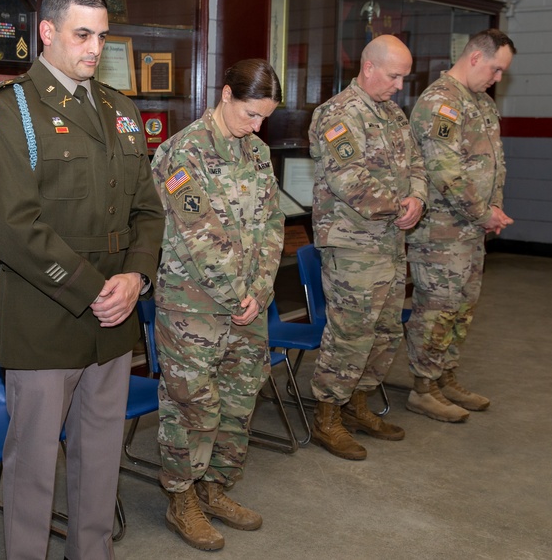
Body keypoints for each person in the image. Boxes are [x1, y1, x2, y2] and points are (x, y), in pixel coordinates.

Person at [0, 0, 163, 560]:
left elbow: (147, 211)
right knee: (32, 471)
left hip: (113, 320)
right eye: (83, 34)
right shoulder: (8, 110)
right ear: (47, 33)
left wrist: (135, 279)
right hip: (44, 319)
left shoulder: (119, 110)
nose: (95, 48)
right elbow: (10, 226)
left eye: (102, 36)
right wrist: (93, 288)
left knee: (101, 463)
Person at [151, 59, 284, 551]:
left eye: (265, 117)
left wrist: (261, 292)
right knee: (193, 406)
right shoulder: (183, 152)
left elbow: (273, 224)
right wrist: (238, 295)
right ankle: (181, 496)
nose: (257, 125)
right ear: (225, 94)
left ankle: (215, 487)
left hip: (247, 304)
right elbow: (200, 236)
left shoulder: (258, 152)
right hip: (195, 307)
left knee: (239, 397)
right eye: (251, 113)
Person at [307, 34, 427, 461]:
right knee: (350, 333)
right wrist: (401, 207)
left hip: (391, 242)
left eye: (404, 78)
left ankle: (358, 405)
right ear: (370, 67)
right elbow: (348, 180)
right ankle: (327, 416)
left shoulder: (393, 114)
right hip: (353, 245)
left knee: (386, 329)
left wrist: (418, 199)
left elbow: (416, 164)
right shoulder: (337, 115)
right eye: (394, 76)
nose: (400, 85)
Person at [404, 29, 515, 422]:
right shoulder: (441, 103)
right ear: (474, 58)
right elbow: (443, 170)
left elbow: (493, 162)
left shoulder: (481, 102)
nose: (498, 78)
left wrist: (495, 206)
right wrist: (483, 212)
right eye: (496, 69)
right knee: (437, 308)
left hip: (471, 230)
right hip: (441, 232)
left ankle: (445, 376)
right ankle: (423, 387)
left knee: (462, 308)